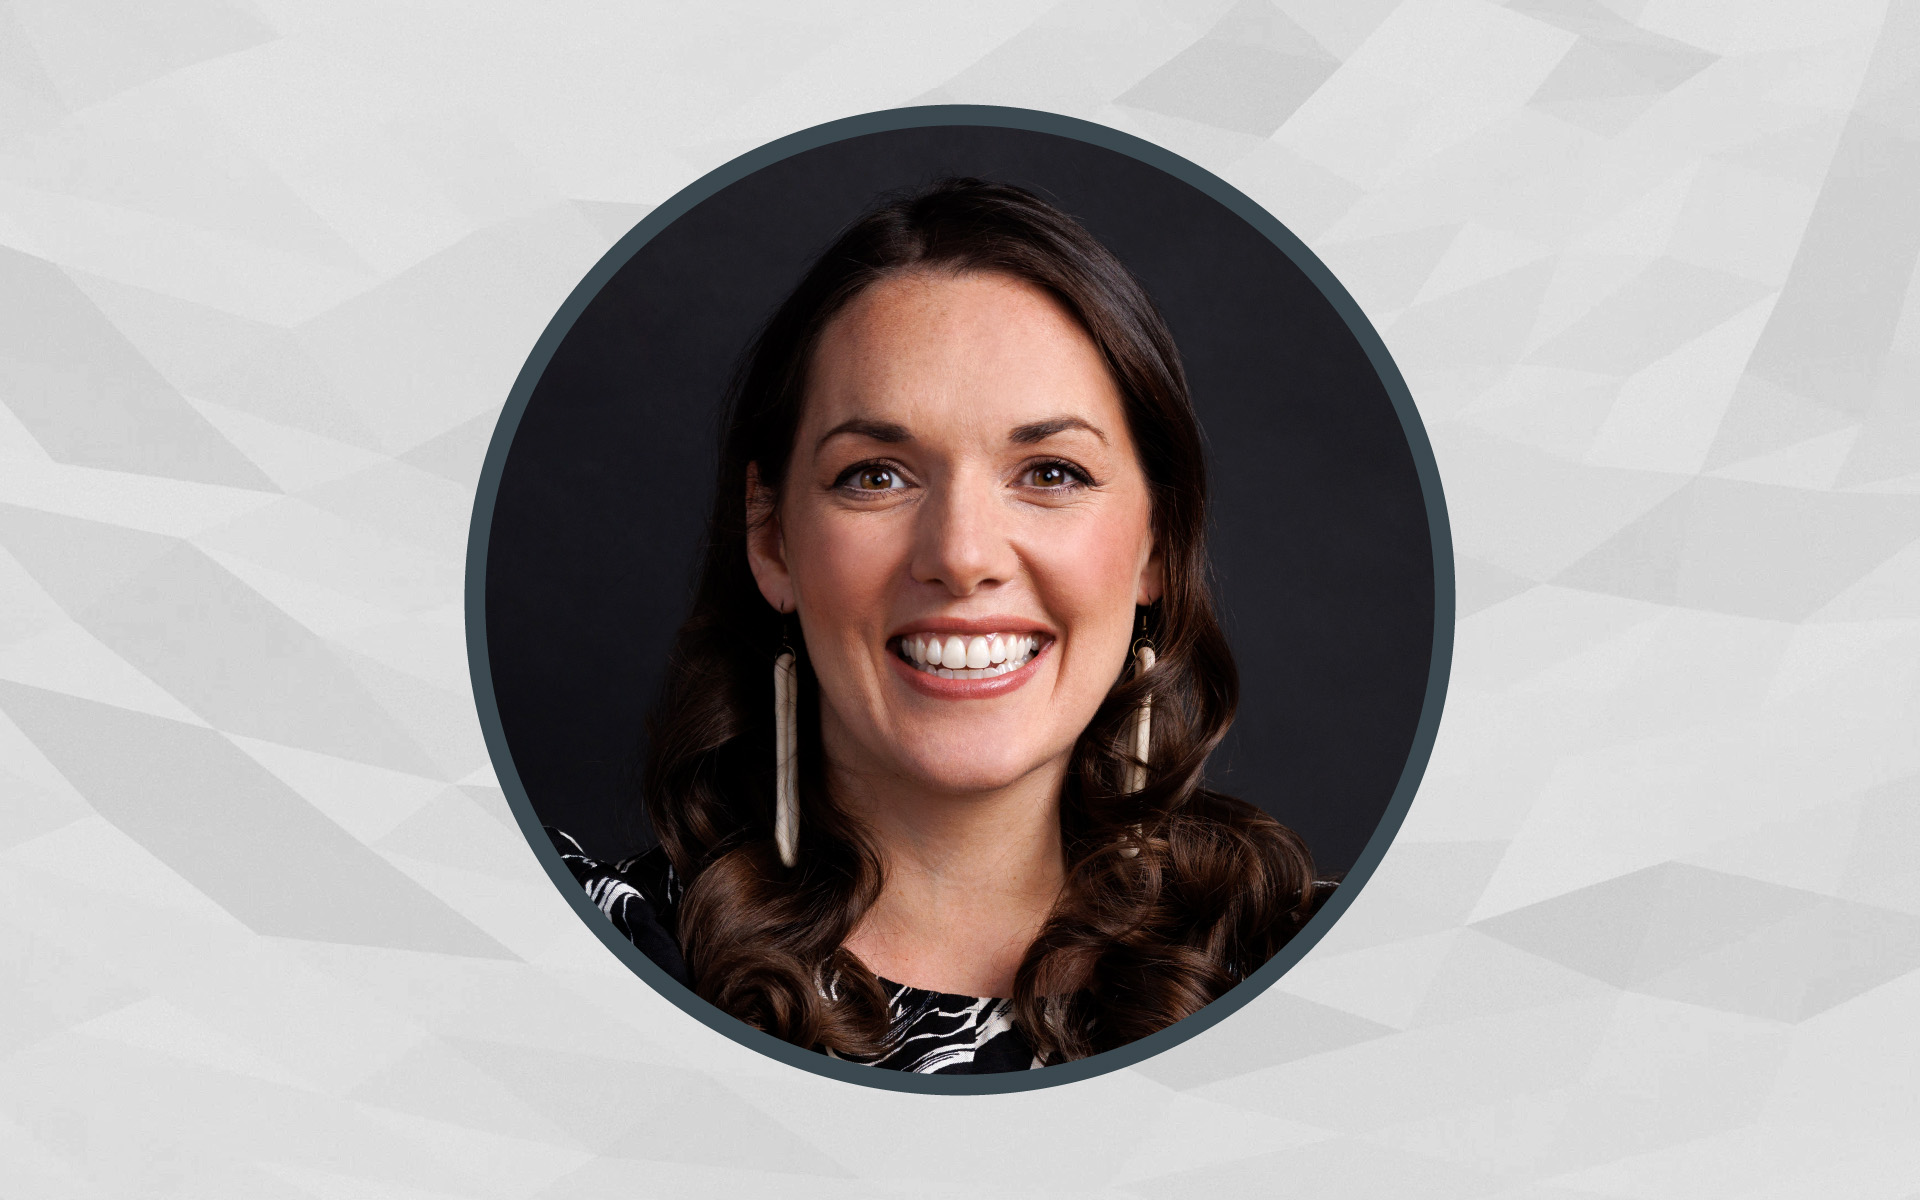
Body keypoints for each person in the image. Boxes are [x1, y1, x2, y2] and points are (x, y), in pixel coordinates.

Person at [550, 178, 1332, 1073]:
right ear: (771, 538)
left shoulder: (1333, 973)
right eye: (877, 475)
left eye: (1051, 473)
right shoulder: (576, 955)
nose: (961, 556)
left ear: (1157, 542)